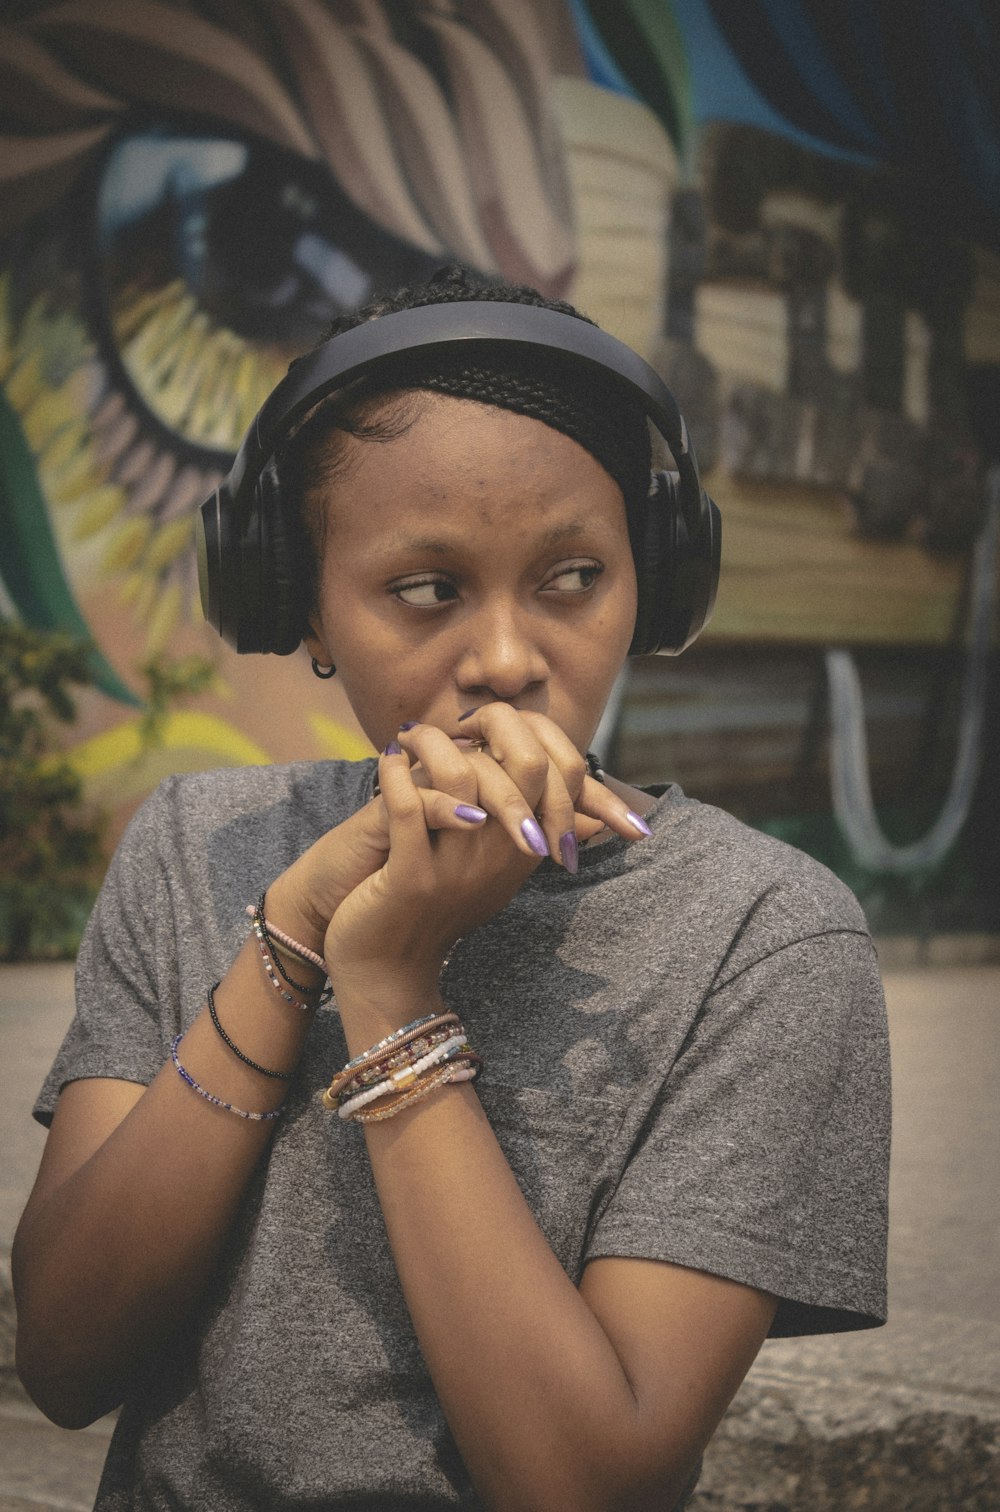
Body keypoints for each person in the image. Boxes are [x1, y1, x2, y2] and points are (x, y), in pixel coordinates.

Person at [13, 267, 890, 1511]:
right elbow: (61, 1354)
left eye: (572, 577)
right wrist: (291, 939)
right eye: (425, 590)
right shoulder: (197, 844)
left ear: (655, 586)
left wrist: (386, 986)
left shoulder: (765, 936)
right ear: (300, 608)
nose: (504, 660)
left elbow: (588, 1484)